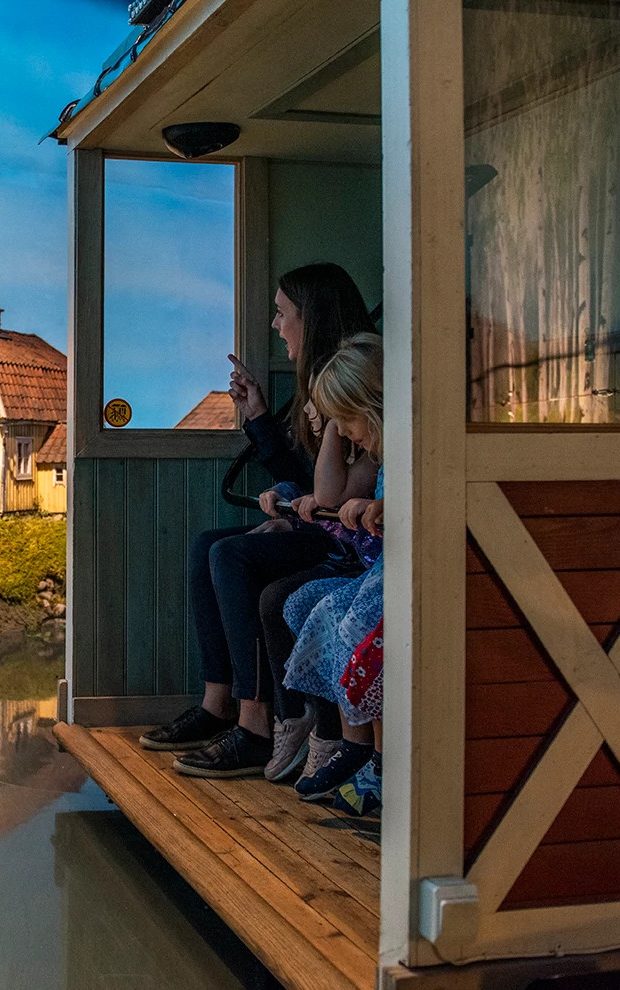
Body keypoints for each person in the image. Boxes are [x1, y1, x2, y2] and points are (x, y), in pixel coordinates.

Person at [140, 263, 378, 780]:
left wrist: (297, 510)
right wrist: (260, 420)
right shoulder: (317, 384)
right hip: (321, 522)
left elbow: (330, 490)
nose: (276, 325)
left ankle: (254, 723)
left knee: (232, 554)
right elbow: (304, 475)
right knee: (209, 543)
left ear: (310, 318)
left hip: (340, 536)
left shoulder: (351, 385)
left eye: (282, 312)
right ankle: (217, 703)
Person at [277, 334, 385, 806]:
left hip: (399, 570)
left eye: (345, 417)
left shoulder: (410, 445)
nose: (338, 427)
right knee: (305, 602)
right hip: (378, 565)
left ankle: (376, 758)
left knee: (357, 620)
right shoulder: (377, 451)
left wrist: (382, 508)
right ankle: (353, 741)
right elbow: (329, 495)